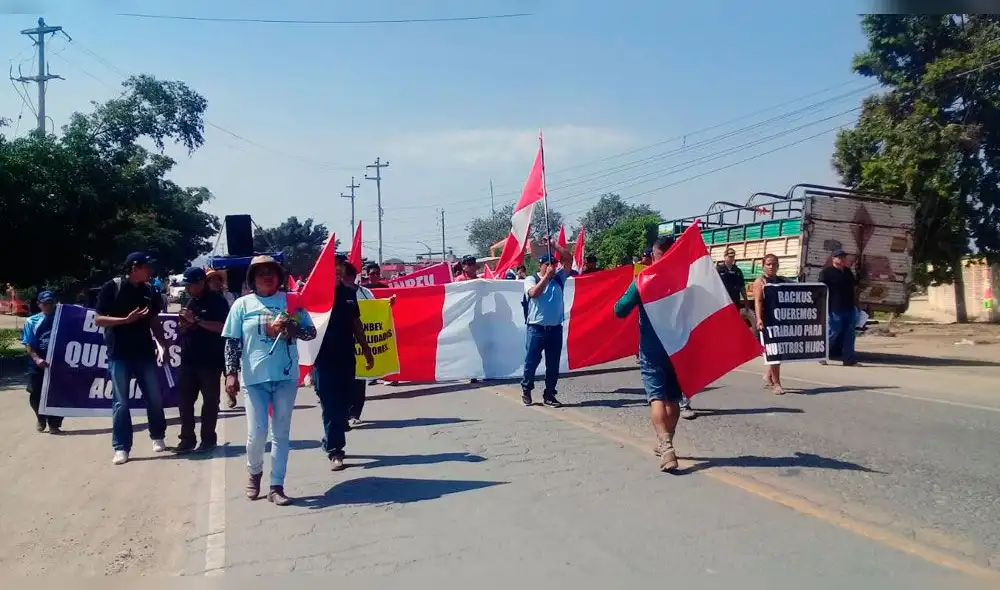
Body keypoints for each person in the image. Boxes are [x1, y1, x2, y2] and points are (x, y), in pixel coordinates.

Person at [222, 255, 317, 506]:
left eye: (271, 271)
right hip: (254, 378)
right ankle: (254, 473)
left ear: (279, 276)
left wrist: (292, 327)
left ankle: (277, 485)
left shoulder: (291, 302)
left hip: (285, 377)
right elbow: (232, 342)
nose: (267, 276)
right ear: (252, 278)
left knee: (281, 433)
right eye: (261, 272)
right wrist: (231, 373)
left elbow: (310, 332)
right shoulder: (242, 305)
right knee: (257, 433)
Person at [613, 235, 684, 471]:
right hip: (678, 346)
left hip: (652, 349)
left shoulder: (643, 279)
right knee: (672, 398)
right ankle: (667, 442)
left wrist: (632, 289)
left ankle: (666, 448)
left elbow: (620, 310)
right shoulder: (684, 278)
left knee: (656, 398)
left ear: (653, 255)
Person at [94, 252, 171, 465]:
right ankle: (121, 447)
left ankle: (158, 436)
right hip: (119, 353)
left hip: (144, 352)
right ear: (135, 267)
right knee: (121, 403)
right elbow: (99, 319)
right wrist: (125, 320)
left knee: (154, 397)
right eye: (146, 267)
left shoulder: (149, 291)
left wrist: (162, 345)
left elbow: (154, 320)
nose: (150, 271)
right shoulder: (112, 287)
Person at [313, 255, 375, 471]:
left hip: (347, 357)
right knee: (331, 406)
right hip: (323, 361)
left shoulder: (349, 294)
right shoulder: (314, 295)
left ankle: (330, 439)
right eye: (331, 267)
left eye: (339, 267)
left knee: (345, 405)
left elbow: (356, 323)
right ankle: (335, 451)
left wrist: (367, 351)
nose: (336, 270)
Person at [175, 267, 230, 454]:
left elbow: (223, 327)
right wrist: (184, 324)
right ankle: (187, 439)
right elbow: (183, 330)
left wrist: (197, 320)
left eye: (190, 284)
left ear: (200, 282)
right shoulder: (190, 301)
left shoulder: (217, 301)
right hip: (189, 359)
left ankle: (208, 439)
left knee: (209, 402)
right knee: (185, 402)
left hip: (210, 360)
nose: (187, 288)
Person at [342, 261, 394, 426]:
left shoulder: (365, 293)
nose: (347, 280)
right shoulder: (334, 294)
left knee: (359, 380)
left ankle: (354, 413)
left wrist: (387, 304)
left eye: (349, 276)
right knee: (344, 381)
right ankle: (342, 414)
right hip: (342, 343)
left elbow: (375, 312)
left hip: (361, 342)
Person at [521, 241, 572, 408]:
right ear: (541, 265)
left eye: (554, 263)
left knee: (553, 364)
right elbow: (534, 293)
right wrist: (545, 278)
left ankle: (549, 394)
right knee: (531, 362)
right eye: (548, 264)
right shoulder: (531, 278)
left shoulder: (559, 278)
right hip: (536, 328)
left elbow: (568, 258)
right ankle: (527, 388)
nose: (552, 266)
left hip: (555, 328)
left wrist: (554, 245)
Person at [22, 291, 64, 434]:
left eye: (51, 302)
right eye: (45, 303)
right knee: (35, 393)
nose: (48, 306)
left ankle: (55, 423)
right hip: (38, 362)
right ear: (39, 304)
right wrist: (37, 359)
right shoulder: (32, 321)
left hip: (59, 363)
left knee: (59, 393)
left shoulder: (63, 319)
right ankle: (41, 418)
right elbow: (28, 343)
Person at [752, 254, 787, 395]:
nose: (771, 267)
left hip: (780, 320)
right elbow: (758, 301)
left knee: (777, 352)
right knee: (775, 352)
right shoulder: (760, 282)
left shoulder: (781, 281)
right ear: (763, 266)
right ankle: (776, 383)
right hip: (768, 321)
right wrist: (759, 319)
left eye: (774, 264)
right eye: (768, 264)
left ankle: (768, 376)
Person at [820, 249, 859, 366]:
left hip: (849, 307)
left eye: (843, 257)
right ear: (833, 259)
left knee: (850, 334)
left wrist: (857, 305)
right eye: (839, 257)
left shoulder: (847, 271)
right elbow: (821, 289)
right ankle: (821, 354)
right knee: (833, 331)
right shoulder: (827, 272)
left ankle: (848, 360)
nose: (842, 259)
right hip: (834, 308)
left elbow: (853, 288)